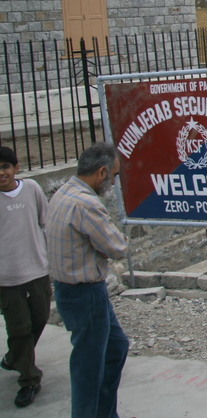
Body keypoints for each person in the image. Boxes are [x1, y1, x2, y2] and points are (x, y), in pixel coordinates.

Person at [46, 141, 129, 418]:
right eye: (115, 175)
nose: (114, 182)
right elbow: (117, 246)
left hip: (72, 291)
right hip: (85, 294)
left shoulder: (64, 192)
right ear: (102, 172)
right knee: (88, 368)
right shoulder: (86, 204)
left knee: (115, 347)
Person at [0, 146, 50, 408]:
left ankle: (14, 357)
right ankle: (29, 379)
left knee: (40, 317)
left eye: (5, 167)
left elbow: (45, 222)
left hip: (37, 271)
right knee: (18, 328)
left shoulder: (31, 189)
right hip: (8, 279)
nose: (1, 173)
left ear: (15, 168)